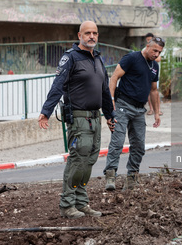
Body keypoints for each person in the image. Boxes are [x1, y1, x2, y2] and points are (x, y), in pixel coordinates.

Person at [38, 21, 115, 219]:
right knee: (77, 161)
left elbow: (105, 91)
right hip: (79, 119)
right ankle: (67, 205)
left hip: (95, 118)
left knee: (88, 162)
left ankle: (81, 203)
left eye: (95, 33)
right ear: (79, 35)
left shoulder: (97, 59)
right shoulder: (70, 58)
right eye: (88, 33)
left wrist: (110, 116)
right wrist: (46, 111)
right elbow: (58, 85)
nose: (92, 36)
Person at [104, 37, 165, 191]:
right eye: (154, 50)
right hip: (123, 105)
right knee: (117, 142)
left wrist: (157, 113)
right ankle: (110, 175)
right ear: (147, 46)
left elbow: (153, 90)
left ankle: (132, 177)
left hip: (139, 110)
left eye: (159, 52)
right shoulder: (132, 58)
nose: (156, 54)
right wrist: (111, 100)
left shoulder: (155, 66)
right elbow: (114, 77)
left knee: (139, 145)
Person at [144, 33, 163, 116]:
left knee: (155, 91)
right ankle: (151, 109)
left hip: (154, 73)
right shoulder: (145, 49)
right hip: (145, 74)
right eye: (147, 40)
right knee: (148, 92)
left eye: (150, 39)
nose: (148, 41)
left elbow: (158, 59)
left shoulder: (156, 48)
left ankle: (157, 110)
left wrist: (153, 54)